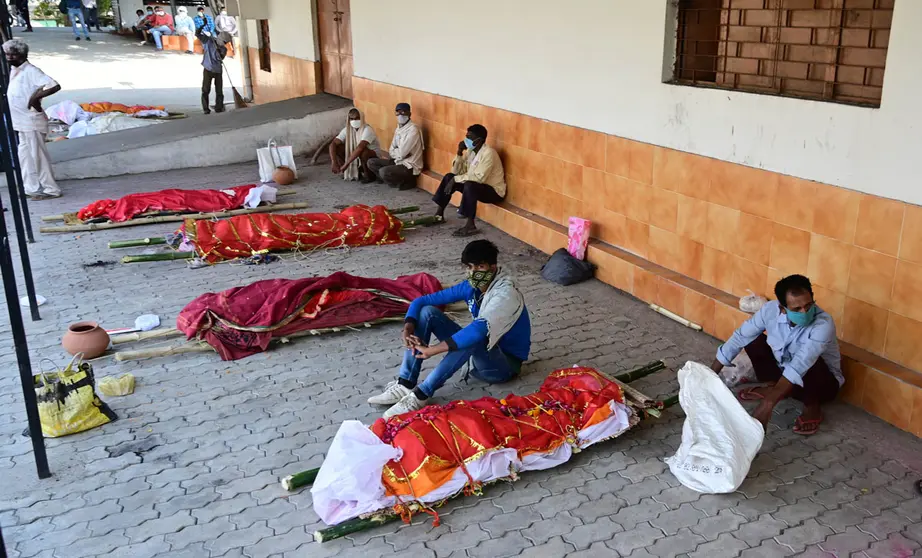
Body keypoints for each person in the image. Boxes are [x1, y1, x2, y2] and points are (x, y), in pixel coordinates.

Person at [369, 239, 531, 418]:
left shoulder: (506, 293)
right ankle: (405, 383)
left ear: (493, 268)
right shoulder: (471, 286)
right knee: (427, 312)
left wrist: (433, 350)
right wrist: (408, 328)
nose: (473, 272)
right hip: (482, 353)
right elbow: (421, 301)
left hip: (503, 366)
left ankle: (421, 395)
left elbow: (478, 330)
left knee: (474, 336)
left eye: (480, 267)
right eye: (469, 267)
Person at [710, 274, 843, 436]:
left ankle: (812, 406)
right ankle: (776, 388)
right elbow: (740, 337)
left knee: (811, 361)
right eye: (796, 309)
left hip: (821, 385)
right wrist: (710, 375)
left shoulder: (823, 324)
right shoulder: (769, 310)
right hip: (785, 374)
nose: (805, 312)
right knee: (753, 340)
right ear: (782, 308)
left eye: (809, 305)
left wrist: (768, 404)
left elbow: (800, 364)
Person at [3, 39, 62, 200]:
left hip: (31, 122)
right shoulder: (15, 70)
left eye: (10, 55)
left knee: (38, 157)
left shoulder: (31, 70)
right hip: (21, 123)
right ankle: (31, 188)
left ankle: (51, 189)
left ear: (19, 55)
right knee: (25, 157)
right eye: (7, 54)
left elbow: (54, 85)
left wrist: (35, 99)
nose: (7, 58)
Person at [432, 124, 506, 237]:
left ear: (479, 140)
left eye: (470, 137)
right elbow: (456, 172)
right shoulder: (471, 152)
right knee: (449, 177)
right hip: (476, 186)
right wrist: (459, 153)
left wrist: (456, 179)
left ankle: (470, 225)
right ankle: (439, 215)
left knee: (470, 185)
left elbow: (479, 178)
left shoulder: (489, 153)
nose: (466, 140)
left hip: (493, 192)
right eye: (466, 136)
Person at [365, 102, 424, 190]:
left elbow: (402, 153)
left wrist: (398, 152)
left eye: (403, 112)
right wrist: (398, 153)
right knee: (371, 162)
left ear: (409, 114)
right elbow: (391, 150)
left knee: (383, 171)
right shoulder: (399, 128)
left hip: (409, 166)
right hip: (398, 161)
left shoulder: (413, 130)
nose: (400, 115)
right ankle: (392, 180)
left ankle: (408, 181)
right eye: (398, 112)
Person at [329, 108, 380, 181]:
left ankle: (369, 175)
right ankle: (352, 171)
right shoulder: (348, 129)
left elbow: (360, 148)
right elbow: (333, 144)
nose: (354, 121)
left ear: (361, 118)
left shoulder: (367, 129)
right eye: (352, 119)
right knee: (338, 148)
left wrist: (346, 164)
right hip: (356, 155)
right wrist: (334, 162)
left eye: (357, 118)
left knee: (363, 152)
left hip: (371, 158)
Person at [198, 28, 226, 114]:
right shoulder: (209, 42)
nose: (224, 44)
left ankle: (219, 107)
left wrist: (220, 53)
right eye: (224, 41)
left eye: (225, 42)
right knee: (205, 90)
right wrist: (201, 26)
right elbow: (198, 34)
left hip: (218, 70)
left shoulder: (224, 49)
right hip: (208, 69)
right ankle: (206, 109)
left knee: (219, 90)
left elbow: (221, 58)